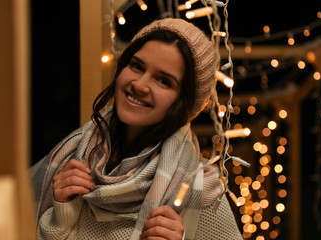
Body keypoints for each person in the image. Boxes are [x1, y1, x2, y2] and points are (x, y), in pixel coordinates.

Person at [31, 18, 243, 240]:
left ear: (184, 102)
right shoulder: (71, 157)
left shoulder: (198, 190)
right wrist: (61, 216)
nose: (139, 85)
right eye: (137, 66)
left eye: (163, 81)